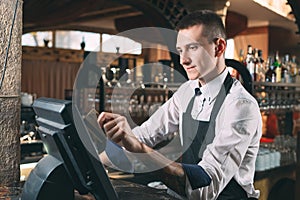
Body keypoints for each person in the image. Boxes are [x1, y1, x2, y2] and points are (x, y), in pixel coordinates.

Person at [98, 10, 262, 200]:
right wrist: (94, 163)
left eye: (193, 48)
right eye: (181, 50)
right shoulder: (187, 91)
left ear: (219, 47)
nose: (183, 60)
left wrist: (139, 149)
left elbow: (205, 189)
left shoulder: (240, 106)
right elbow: (144, 135)